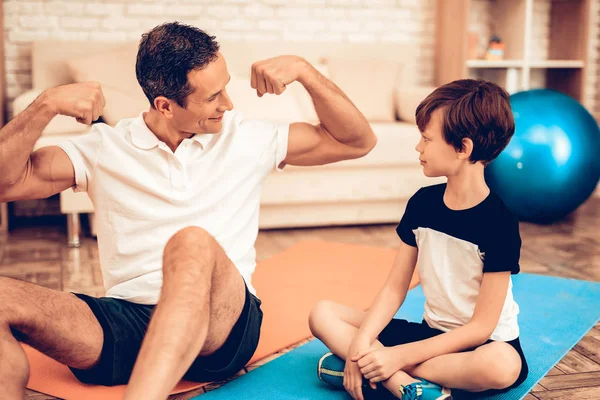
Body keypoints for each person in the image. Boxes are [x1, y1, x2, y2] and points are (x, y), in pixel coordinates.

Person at [0, 22, 376, 400]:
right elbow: (7, 183)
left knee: (191, 241)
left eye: (225, 88)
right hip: (131, 322)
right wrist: (44, 105)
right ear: (165, 105)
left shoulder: (246, 136)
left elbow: (357, 141)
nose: (227, 104)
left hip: (223, 326)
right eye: (213, 97)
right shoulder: (105, 148)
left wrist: (305, 72)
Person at [309, 79, 529, 400]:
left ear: (463, 148)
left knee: (500, 367)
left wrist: (396, 357)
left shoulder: (499, 223)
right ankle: (400, 384)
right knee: (322, 313)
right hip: (429, 335)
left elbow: (481, 328)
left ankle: (376, 371)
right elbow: (394, 287)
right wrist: (361, 341)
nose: (418, 147)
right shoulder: (422, 203)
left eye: (426, 139)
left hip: (482, 344)